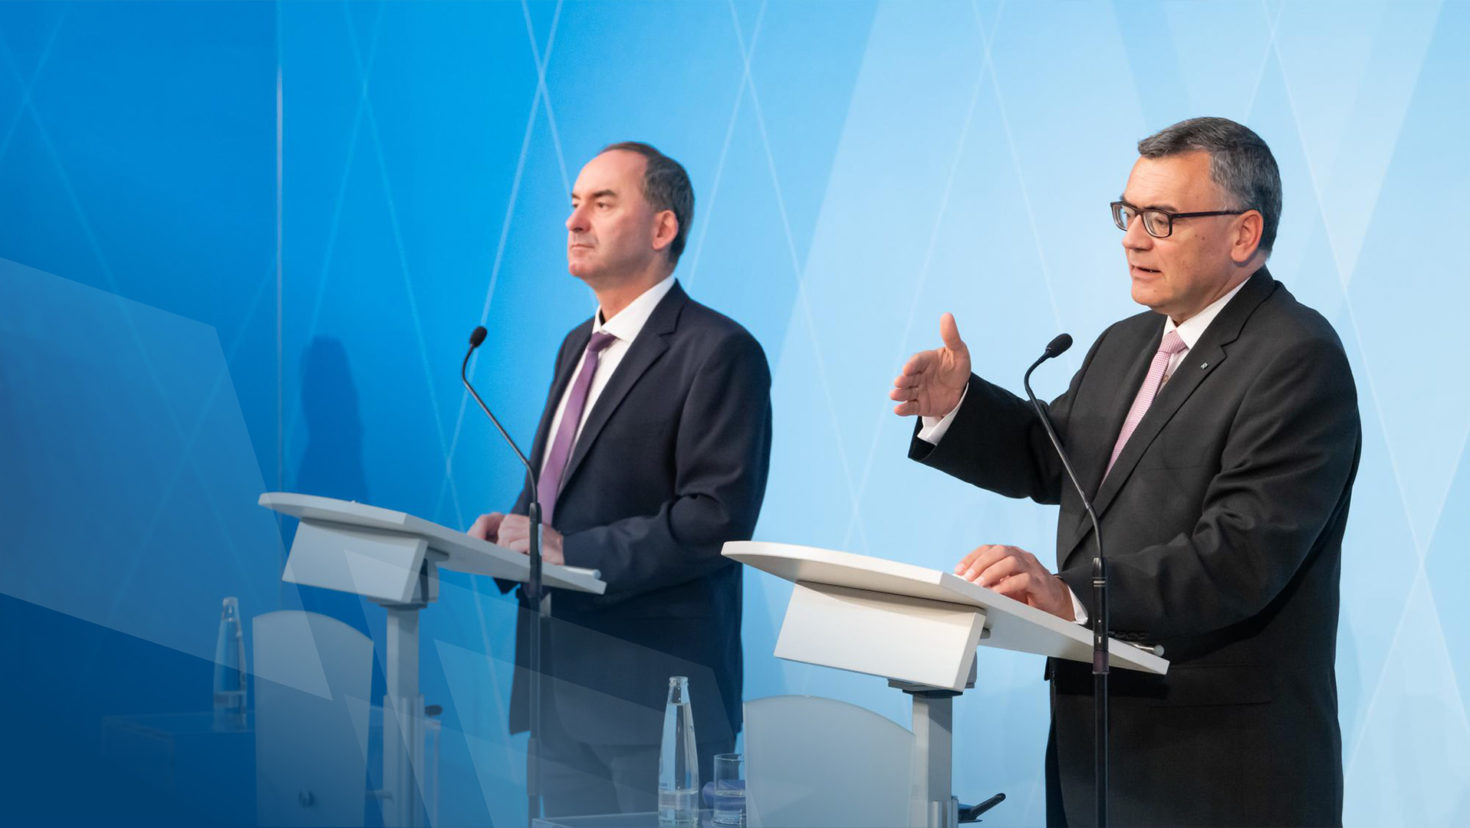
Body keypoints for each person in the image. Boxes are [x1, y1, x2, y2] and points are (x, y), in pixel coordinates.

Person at [890, 117, 1360, 826]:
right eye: (1129, 212)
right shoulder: (1127, 342)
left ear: (1243, 233)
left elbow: (1239, 554)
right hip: (1095, 757)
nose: (1133, 238)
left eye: (1162, 219)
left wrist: (1071, 597)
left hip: (1216, 770)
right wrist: (958, 406)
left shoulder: (1295, 358)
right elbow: (1059, 460)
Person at [469, 142, 772, 818]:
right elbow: (552, 490)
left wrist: (566, 552)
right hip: (556, 689)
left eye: (602, 203)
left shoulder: (718, 352)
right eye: (574, 205)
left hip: (656, 698)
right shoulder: (577, 345)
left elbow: (713, 521)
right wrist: (509, 533)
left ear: (663, 229)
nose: (575, 221)